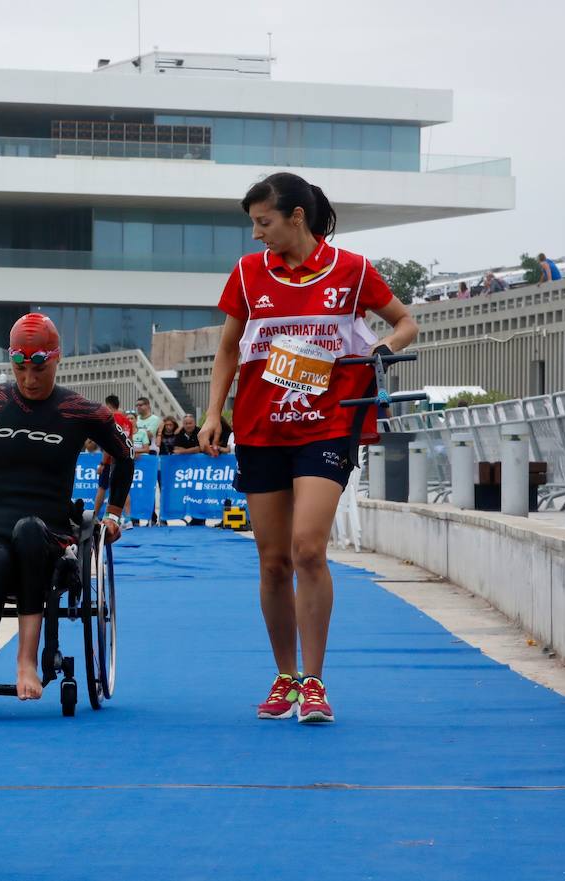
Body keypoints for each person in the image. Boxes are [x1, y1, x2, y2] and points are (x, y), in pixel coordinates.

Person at [198, 171, 416, 725]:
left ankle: (315, 683)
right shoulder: (249, 275)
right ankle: (285, 677)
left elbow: (406, 323)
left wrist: (381, 351)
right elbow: (227, 351)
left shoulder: (354, 270)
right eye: (252, 223)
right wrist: (212, 413)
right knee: (271, 562)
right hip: (261, 428)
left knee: (307, 547)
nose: (255, 234)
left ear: (296, 217)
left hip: (328, 426)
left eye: (263, 222)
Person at [0, 313, 134, 723]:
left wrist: (113, 513)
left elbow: (125, 452)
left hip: (51, 537)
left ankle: (26, 661)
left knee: (29, 532)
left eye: (39, 368)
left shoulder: (76, 410)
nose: (29, 378)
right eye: (21, 368)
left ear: (57, 358)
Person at [91, 395, 135, 517]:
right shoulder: (127, 421)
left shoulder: (110, 418)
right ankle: (127, 518)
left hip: (112, 460)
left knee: (102, 487)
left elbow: (108, 444)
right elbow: (130, 442)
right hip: (126, 460)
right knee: (123, 489)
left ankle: (94, 516)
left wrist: (103, 463)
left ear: (108, 405)